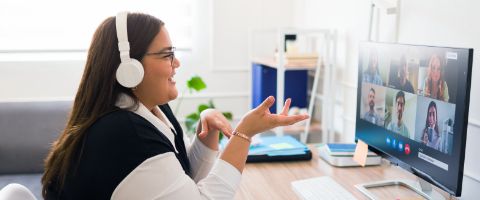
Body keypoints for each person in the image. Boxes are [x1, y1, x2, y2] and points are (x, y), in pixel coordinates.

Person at [41, 12, 308, 200]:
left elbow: (180, 181)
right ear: (129, 68)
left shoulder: (148, 109)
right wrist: (244, 134)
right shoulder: (125, 134)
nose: (176, 63)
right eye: (167, 55)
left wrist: (206, 140)